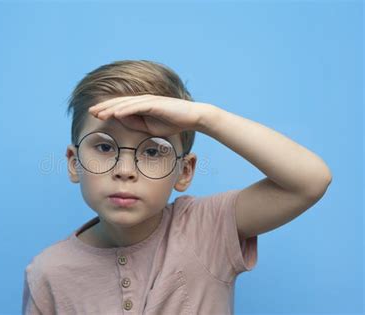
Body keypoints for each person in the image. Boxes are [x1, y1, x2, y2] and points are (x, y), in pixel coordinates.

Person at [22, 60, 332, 314]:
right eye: (104, 147)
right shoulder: (47, 273)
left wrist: (204, 118)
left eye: (153, 151)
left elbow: (309, 182)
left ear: (184, 171)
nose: (125, 171)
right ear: (75, 163)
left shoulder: (207, 229)